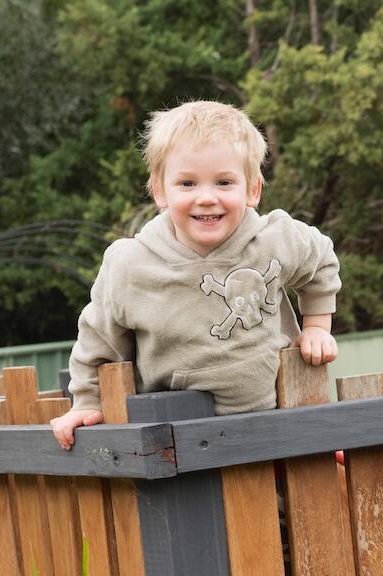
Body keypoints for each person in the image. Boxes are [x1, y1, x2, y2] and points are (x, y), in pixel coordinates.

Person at [50, 100, 340, 449]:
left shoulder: (274, 240)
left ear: (252, 189)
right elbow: (98, 340)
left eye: (224, 182)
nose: (206, 197)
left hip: (277, 423)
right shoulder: (131, 265)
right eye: (187, 183)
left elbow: (320, 259)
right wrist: (86, 403)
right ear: (160, 190)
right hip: (176, 439)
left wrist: (317, 327)